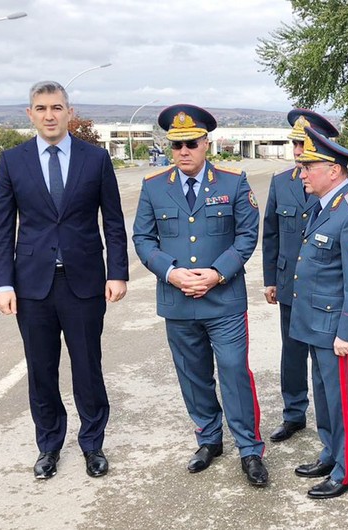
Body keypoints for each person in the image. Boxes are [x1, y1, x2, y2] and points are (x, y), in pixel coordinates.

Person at [0, 80, 128, 479]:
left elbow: (114, 222)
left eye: (56, 107)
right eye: (41, 108)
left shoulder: (95, 159)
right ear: (30, 114)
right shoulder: (12, 161)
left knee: (88, 367)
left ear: (69, 111)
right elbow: (3, 229)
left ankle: (92, 445)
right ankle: (48, 446)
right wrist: (2, 283)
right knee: (41, 370)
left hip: (84, 283)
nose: (49, 115)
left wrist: (117, 272)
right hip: (32, 286)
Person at [132, 104, 267, 486]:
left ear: (207, 143)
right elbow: (143, 238)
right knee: (192, 375)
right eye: (176, 145)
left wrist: (217, 273)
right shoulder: (154, 185)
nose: (184, 151)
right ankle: (209, 439)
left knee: (233, 371)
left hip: (223, 300)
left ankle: (249, 448)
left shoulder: (233, 182)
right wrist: (171, 273)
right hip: (178, 300)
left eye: (191, 143)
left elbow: (246, 235)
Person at [288, 126, 348, 499]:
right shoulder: (327, 206)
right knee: (324, 397)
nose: (303, 172)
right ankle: (330, 453)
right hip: (315, 323)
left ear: (334, 170)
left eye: (310, 166)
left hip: (336, 328)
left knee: (342, 400)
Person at [262, 109, 339, 443]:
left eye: (303, 144)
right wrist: (270, 280)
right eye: (294, 144)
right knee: (291, 353)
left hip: (321, 289)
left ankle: (329, 420)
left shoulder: (334, 187)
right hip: (289, 284)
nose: (297, 152)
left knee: (322, 358)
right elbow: (272, 234)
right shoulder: (281, 183)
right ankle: (293, 414)